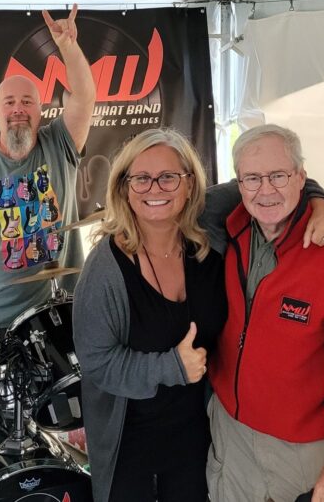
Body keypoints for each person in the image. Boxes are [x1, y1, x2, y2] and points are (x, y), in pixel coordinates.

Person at [206, 124, 324, 502]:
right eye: (253, 178)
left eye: (278, 175)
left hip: (303, 449)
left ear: (301, 178)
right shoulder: (232, 230)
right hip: (231, 432)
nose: (266, 189)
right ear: (238, 183)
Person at [72, 129, 226, 502]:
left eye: (168, 177)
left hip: (199, 437)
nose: (155, 188)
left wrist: (317, 200)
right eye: (141, 178)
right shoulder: (105, 270)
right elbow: (97, 364)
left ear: (190, 184)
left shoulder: (209, 243)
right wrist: (171, 366)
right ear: (124, 187)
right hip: (131, 442)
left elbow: (270, 177)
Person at [0, 4, 95, 329]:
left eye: (27, 102)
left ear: (40, 110)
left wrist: (68, 47)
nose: (18, 109)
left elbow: (84, 97)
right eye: (9, 102)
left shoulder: (60, 144)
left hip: (64, 315)